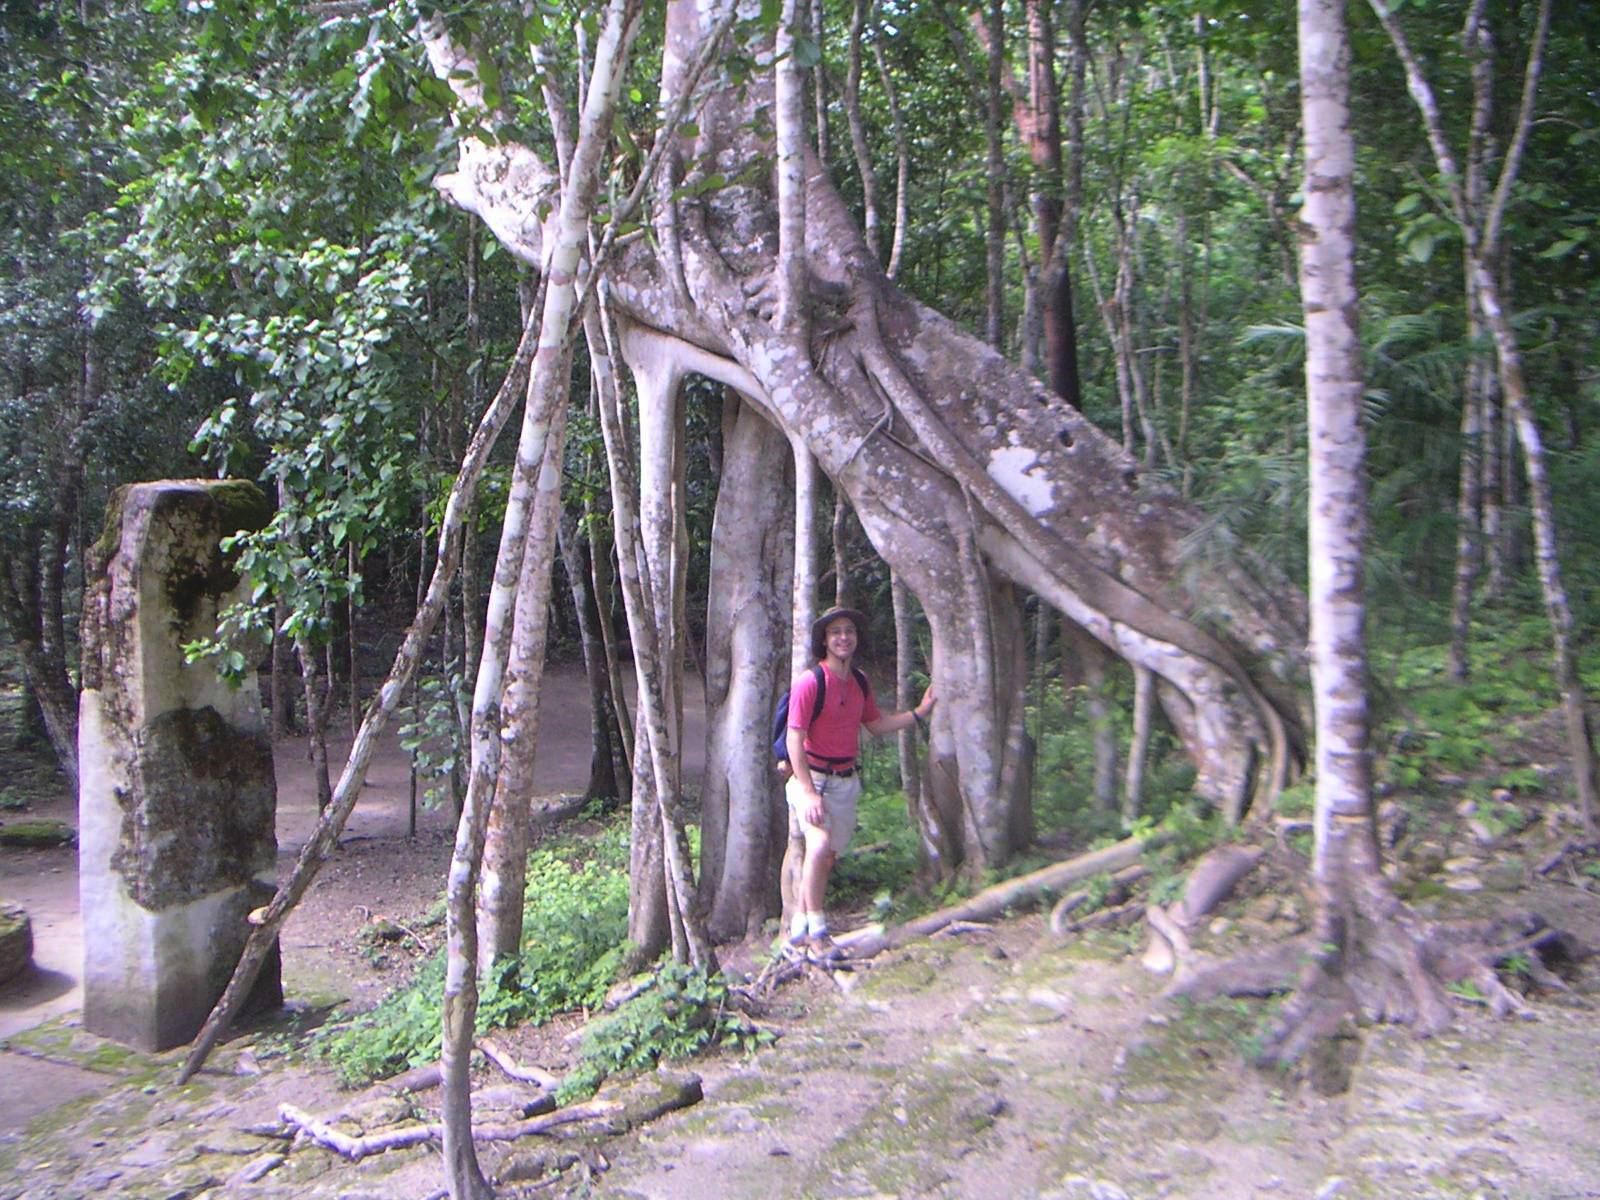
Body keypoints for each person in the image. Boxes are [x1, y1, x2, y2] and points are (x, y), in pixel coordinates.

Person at [784, 605, 934, 959]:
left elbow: (875, 725)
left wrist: (918, 714)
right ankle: (817, 930)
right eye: (835, 632)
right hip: (812, 778)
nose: (843, 637)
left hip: (845, 780)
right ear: (824, 640)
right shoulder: (811, 682)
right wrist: (807, 791)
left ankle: (800, 925)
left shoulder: (859, 682)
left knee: (827, 856)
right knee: (817, 845)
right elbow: (794, 738)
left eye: (848, 631)